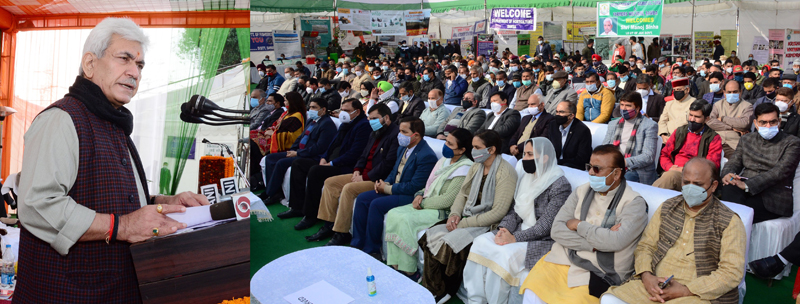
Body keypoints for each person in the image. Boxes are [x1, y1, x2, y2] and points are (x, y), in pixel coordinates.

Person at [15, 18, 211, 303]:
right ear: (90, 64)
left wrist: (164, 203)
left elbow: (118, 198)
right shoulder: (61, 119)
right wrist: (124, 226)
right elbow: (38, 205)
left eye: (140, 65)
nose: (134, 72)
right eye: (124, 59)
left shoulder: (113, 122)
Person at [601, 157, 746, 304]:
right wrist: (646, 276)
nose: (690, 188)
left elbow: (731, 272)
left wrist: (686, 289)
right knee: (610, 300)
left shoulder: (729, 221)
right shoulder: (668, 207)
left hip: (697, 294)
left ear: (714, 186)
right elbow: (646, 246)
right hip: (653, 285)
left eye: (698, 184)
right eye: (686, 182)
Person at [520, 145, 648, 304]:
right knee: (533, 292)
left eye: (597, 169)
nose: (591, 173)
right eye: (589, 167)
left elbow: (616, 241)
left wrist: (578, 225)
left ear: (616, 173)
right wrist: (596, 242)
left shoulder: (634, 204)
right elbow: (557, 230)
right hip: (563, 257)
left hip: (599, 271)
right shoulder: (582, 191)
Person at [464, 138, 571, 304]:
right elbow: (514, 211)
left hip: (541, 240)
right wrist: (504, 229)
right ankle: (475, 300)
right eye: (524, 154)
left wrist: (514, 238)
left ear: (544, 157)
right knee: (480, 242)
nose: (524, 159)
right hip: (517, 230)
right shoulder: (527, 177)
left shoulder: (559, 185)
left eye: (529, 154)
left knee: (504, 254)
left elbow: (546, 226)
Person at [419, 130, 517, 304]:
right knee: (431, 234)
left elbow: (498, 212)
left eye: (477, 147)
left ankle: (446, 289)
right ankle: (431, 284)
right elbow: (463, 195)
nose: (473, 151)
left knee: (451, 243)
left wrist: (464, 222)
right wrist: (455, 214)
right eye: (472, 147)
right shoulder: (476, 166)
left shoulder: (505, 172)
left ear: (492, 149)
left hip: (489, 223)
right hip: (468, 215)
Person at [384, 128, 474, 280]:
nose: (445, 145)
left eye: (450, 144)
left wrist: (423, 202)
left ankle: (410, 270)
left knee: (406, 220)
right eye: (446, 141)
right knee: (393, 213)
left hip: (442, 211)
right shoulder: (444, 161)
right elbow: (428, 185)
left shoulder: (465, 168)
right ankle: (396, 264)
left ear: (462, 150)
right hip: (426, 202)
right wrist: (419, 194)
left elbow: (448, 200)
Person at [310, 104, 400, 244]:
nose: (371, 122)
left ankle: (342, 232)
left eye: (375, 118)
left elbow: (388, 164)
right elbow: (363, 155)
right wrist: (357, 170)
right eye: (369, 118)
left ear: (386, 117)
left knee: (348, 189)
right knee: (330, 182)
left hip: (376, 179)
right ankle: (328, 225)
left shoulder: (395, 135)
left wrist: (364, 177)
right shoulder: (374, 131)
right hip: (361, 174)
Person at [350, 117, 438, 258]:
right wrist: (383, 183)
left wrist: (388, 189)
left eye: (404, 132)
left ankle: (372, 249)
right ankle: (357, 243)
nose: (400, 135)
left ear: (415, 135)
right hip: (394, 189)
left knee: (376, 204)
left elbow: (415, 186)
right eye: (399, 131)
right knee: (362, 199)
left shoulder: (426, 155)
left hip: (408, 196)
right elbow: (394, 172)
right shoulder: (403, 148)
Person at [283, 98, 373, 230]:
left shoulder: (363, 126)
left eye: (347, 110)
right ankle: (297, 207)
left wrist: (331, 163)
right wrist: (324, 158)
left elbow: (354, 153)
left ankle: (311, 215)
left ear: (357, 111)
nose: (343, 113)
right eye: (342, 110)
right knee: (298, 164)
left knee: (315, 172)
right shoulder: (346, 123)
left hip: (345, 166)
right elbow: (332, 145)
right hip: (331, 161)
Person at [721, 103, 800, 223]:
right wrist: (728, 174)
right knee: (728, 187)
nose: (768, 126)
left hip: (772, 196)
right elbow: (734, 162)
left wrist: (747, 185)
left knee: (739, 211)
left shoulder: (792, 143)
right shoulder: (747, 139)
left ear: (779, 121)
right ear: (756, 124)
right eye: (763, 122)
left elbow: (780, 172)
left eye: (772, 122)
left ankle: (732, 230)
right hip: (743, 189)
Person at [264, 98, 337, 205]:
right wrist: (293, 149)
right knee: (270, 158)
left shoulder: (327, 124)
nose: (310, 109)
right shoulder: (311, 121)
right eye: (310, 107)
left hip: (310, 156)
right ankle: (273, 191)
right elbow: (300, 138)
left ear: (323, 109)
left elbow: (319, 147)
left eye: (314, 107)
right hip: (299, 151)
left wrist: (298, 153)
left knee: (281, 163)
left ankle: (271, 194)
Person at [653, 99, 722, 191]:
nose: (692, 119)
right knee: (669, 176)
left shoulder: (713, 138)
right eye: (691, 115)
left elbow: (710, 166)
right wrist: (670, 167)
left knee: (669, 177)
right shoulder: (679, 131)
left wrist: (684, 170)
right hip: (672, 171)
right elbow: (664, 154)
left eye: (697, 117)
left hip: (694, 178)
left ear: (706, 119)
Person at [602, 92, 659, 185]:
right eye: (622, 105)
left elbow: (648, 156)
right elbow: (605, 147)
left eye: (628, 106)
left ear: (637, 108)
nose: (624, 109)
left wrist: (624, 162)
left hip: (636, 169)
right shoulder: (613, 124)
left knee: (620, 180)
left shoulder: (649, 125)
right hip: (614, 164)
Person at [706, 80, 753, 157]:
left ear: (740, 92)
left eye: (735, 92)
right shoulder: (718, 105)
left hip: (734, 144)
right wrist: (733, 128)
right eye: (729, 92)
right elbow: (710, 122)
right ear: (724, 93)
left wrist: (723, 118)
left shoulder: (747, 106)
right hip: (717, 141)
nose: (732, 94)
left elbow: (744, 124)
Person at [546, 101, 592, 170]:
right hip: (552, 166)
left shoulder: (582, 131)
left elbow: (582, 158)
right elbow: (547, 147)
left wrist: (559, 162)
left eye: (561, 112)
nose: (558, 115)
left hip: (572, 168)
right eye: (557, 112)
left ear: (571, 116)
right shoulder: (553, 125)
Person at [657, 77, 696, 141]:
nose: (676, 92)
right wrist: (663, 135)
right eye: (674, 90)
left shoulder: (694, 103)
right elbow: (662, 121)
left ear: (687, 90)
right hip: (668, 139)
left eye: (679, 89)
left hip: (686, 139)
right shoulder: (669, 104)